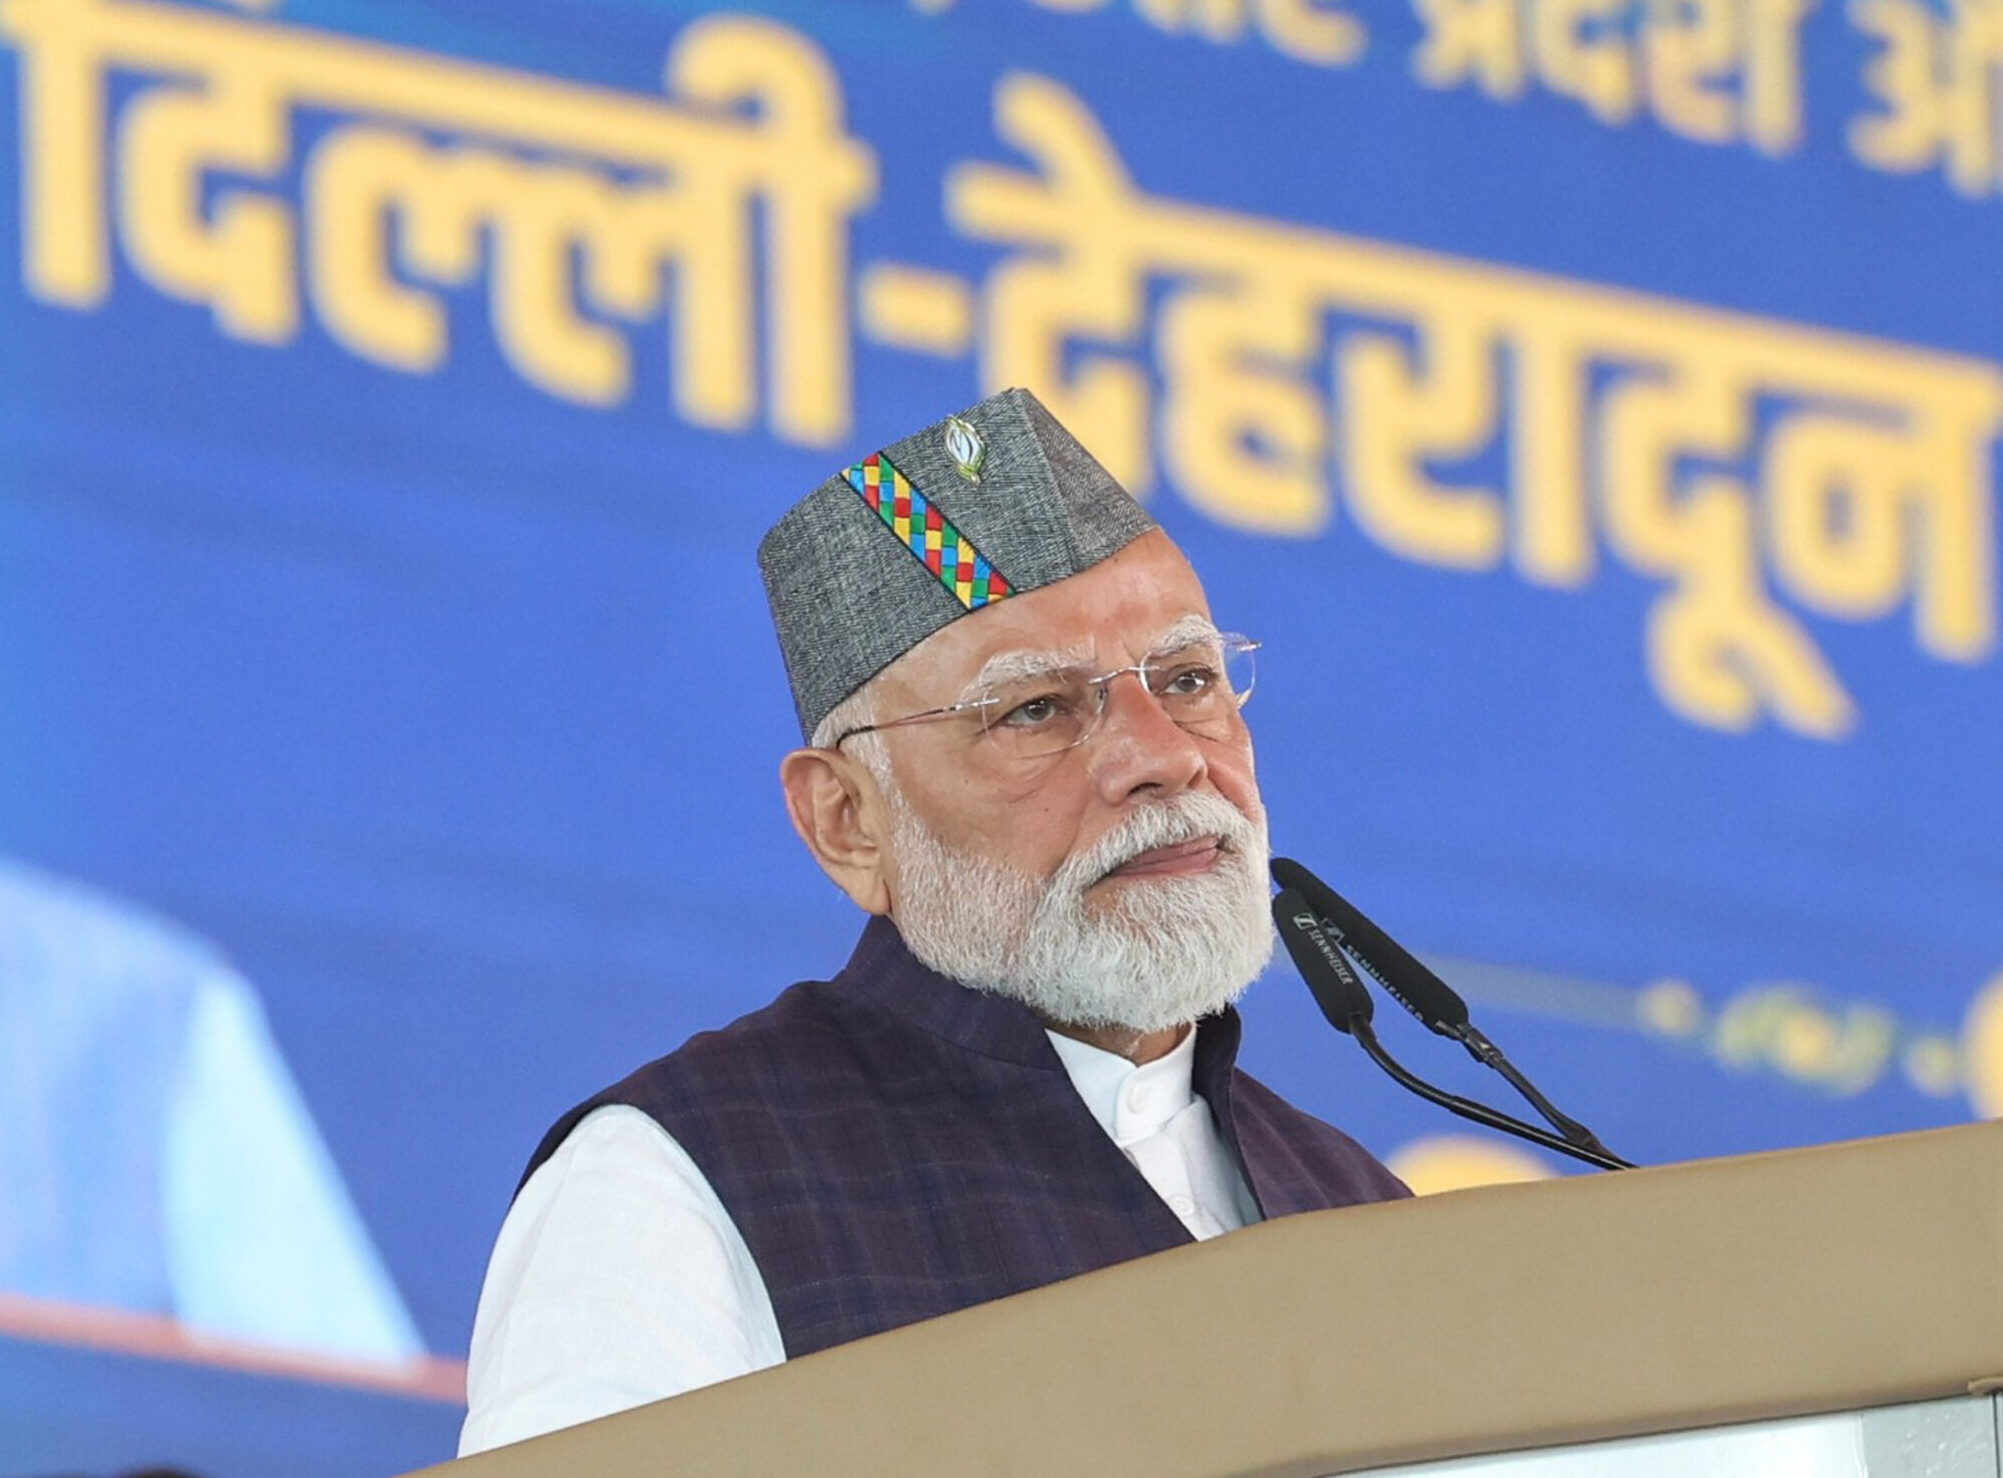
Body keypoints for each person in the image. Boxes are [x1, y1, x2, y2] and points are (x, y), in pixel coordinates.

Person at [458, 388, 1408, 1454]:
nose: (1164, 756)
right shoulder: (675, 1179)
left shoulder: (1353, 1202)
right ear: (848, 819)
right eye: (1036, 709)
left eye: (1186, 679)